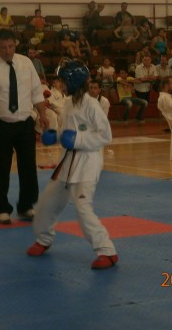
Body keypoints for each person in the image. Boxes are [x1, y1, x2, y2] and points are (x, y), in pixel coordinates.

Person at [27, 61, 118, 270]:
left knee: (83, 208)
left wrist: (78, 139)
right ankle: (43, 239)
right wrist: (55, 136)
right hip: (67, 162)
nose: (61, 85)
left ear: (74, 82)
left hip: (87, 163)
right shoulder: (68, 103)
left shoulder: (92, 105)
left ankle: (107, 251)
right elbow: (67, 133)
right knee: (47, 203)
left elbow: (105, 136)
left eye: (63, 81)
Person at [0, 28, 49, 225]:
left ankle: (26, 205)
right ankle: (2, 208)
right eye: (3, 47)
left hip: (25, 122)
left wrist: (43, 114)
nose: (8, 51)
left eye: (11, 46)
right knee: (1, 167)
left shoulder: (26, 63)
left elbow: (36, 91)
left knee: (28, 166)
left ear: (15, 45)